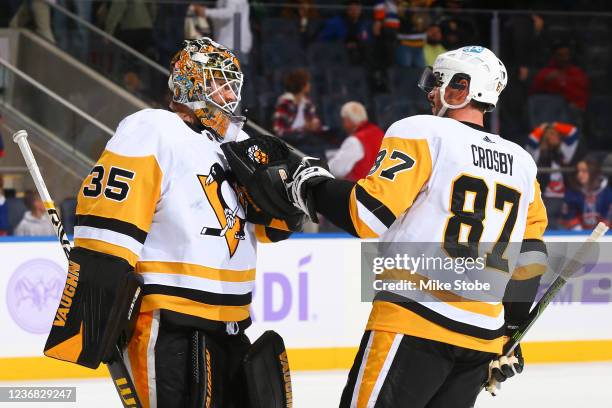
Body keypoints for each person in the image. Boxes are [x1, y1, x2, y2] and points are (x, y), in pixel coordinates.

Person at [243, 46, 548, 407]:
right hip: (480, 339)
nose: (432, 92)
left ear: (461, 88)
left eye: (438, 82)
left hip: (416, 323)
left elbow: (366, 216)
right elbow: (531, 252)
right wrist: (510, 332)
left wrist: (310, 185)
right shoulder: (522, 163)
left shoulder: (423, 131)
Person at [43, 38, 296, 408]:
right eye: (219, 82)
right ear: (190, 83)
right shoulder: (154, 128)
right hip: (169, 323)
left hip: (233, 323)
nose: (228, 93)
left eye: (232, 84)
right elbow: (111, 211)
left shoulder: (234, 142)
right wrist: (98, 292)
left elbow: (271, 228)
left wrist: (291, 198)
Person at [525, 122, 582, 228]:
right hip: (544, 198)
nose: (555, 136)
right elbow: (532, 140)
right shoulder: (537, 153)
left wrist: (554, 125)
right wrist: (542, 128)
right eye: (551, 134)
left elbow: (573, 132)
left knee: (566, 226)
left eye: (557, 134)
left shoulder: (563, 151)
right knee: (546, 226)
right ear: (544, 137)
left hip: (564, 197)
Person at [328, 102, 384, 181]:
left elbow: (336, 170)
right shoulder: (378, 131)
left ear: (348, 120)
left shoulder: (355, 140)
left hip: (363, 188)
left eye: (343, 120)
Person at [530, 43, 590, 111]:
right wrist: (545, 80)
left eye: (567, 55)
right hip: (550, 111)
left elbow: (583, 93)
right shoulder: (545, 73)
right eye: (560, 55)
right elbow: (534, 92)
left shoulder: (578, 73)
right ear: (554, 56)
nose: (565, 58)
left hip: (574, 112)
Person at [562, 158, 612, 230]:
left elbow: (608, 220)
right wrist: (579, 233)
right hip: (579, 235)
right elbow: (569, 219)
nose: (579, 174)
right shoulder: (572, 193)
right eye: (578, 171)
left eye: (584, 171)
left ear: (594, 172)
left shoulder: (608, 193)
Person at [273, 68, 322, 138]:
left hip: (307, 139)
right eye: (308, 82)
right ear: (302, 86)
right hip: (290, 142)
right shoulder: (285, 103)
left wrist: (314, 124)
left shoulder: (307, 103)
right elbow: (279, 131)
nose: (310, 85)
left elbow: (314, 122)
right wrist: (302, 129)